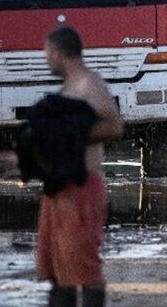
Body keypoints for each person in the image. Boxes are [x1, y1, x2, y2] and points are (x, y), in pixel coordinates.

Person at [33, 26, 123, 307]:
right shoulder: (70, 88)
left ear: (58, 52)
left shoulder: (88, 85)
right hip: (60, 187)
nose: (47, 60)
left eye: (47, 54)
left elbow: (114, 126)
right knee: (58, 270)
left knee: (84, 268)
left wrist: (67, 136)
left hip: (82, 188)